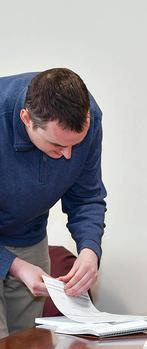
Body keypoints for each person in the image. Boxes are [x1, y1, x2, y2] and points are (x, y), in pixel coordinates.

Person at [0, 68, 106, 337]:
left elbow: (86, 197)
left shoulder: (88, 117)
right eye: (57, 145)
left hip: (29, 236)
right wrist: (14, 265)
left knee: (26, 340)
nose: (68, 155)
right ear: (26, 119)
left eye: (75, 145)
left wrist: (89, 250)